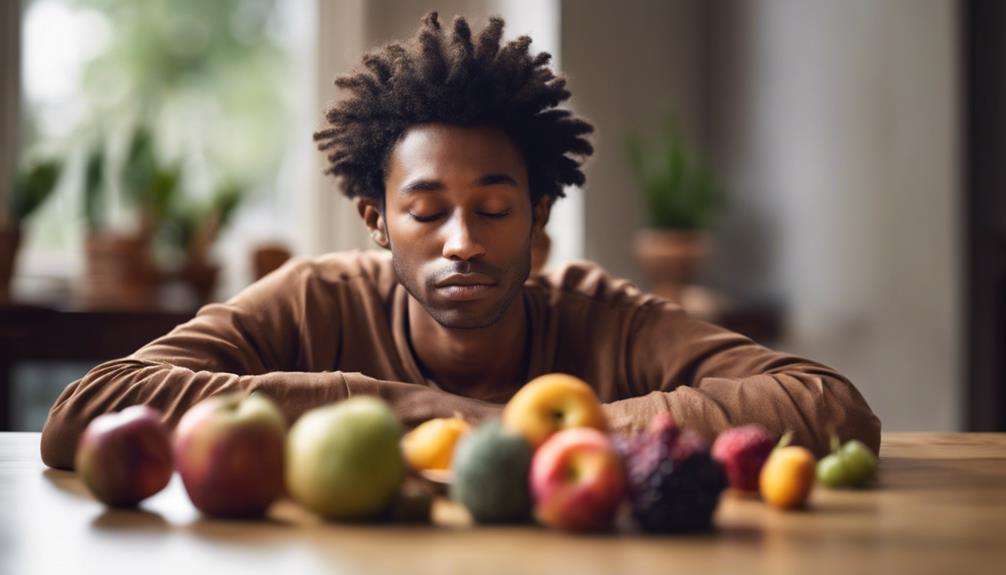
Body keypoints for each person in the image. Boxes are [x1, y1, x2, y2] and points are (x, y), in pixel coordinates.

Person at [40, 12, 879, 470]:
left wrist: (557, 430)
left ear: (540, 214)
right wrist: (416, 409)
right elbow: (85, 409)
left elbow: (831, 407)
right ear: (376, 218)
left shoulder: (603, 317)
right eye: (427, 208)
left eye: (494, 205)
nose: (463, 241)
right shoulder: (311, 299)